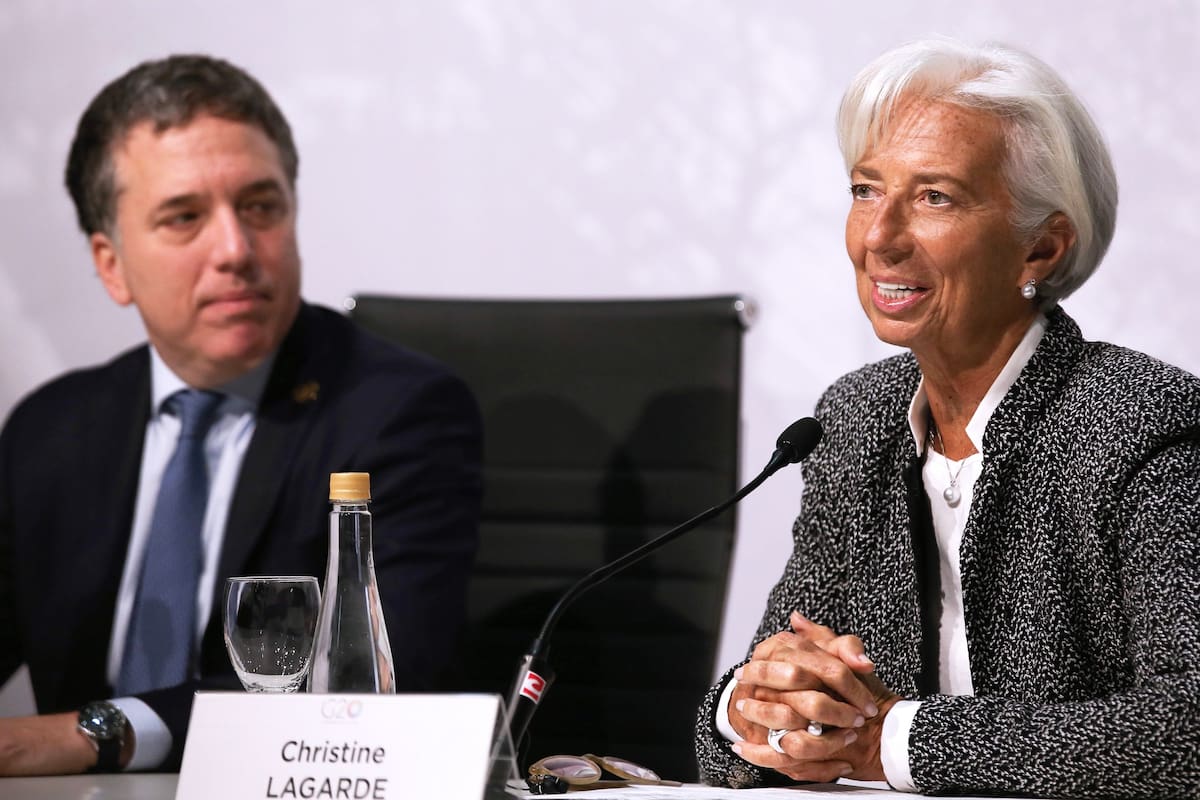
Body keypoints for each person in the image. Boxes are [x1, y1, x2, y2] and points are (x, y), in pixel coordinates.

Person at [695, 37, 1200, 798]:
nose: (879, 237)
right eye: (866, 189)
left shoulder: (1140, 423)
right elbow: (768, 699)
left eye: (934, 197)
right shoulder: (856, 420)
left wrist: (889, 741)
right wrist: (756, 710)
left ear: (1041, 248)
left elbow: (1188, 726)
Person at [0, 55, 482, 775]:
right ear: (112, 265)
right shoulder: (52, 428)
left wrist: (97, 733)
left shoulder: (398, 414)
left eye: (261, 206)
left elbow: (373, 687)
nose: (235, 249)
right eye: (184, 217)